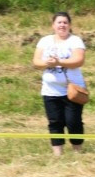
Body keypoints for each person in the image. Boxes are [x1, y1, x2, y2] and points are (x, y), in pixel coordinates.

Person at [31, 11, 87, 156]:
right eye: (59, 22)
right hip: (50, 90)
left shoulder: (75, 41)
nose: (62, 25)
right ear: (53, 25)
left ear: (69, 25)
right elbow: (36, 62)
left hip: (72, 91)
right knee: (55, 122)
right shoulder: (45, 41)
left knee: (73, 122)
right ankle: (58, 154)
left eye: (65, 22)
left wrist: (59, 62)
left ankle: (77, 152)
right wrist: (46, 63)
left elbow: (78, 60)